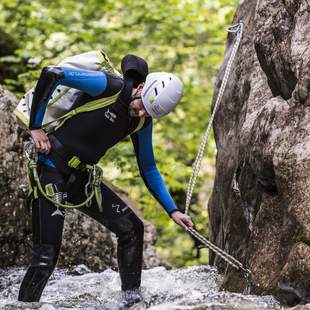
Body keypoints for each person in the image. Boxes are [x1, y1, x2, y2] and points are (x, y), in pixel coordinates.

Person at [17, 53, 193, 305]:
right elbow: (52, 74)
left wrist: (173, 211)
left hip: (82, 179)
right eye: (142, 104)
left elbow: (149, 168)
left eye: (148, 113)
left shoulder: (141, 122)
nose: (141, 112)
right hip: (51, 168)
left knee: (132, 229)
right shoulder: (108, 86)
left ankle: (130, 301)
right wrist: (35, 126)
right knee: (46, 256)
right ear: (141, 87)